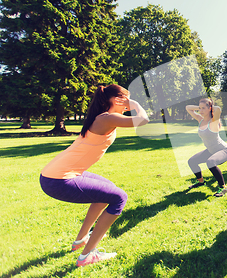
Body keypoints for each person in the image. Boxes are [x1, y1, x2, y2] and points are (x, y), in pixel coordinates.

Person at [40, 84, 149, 267]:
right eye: (126, 99)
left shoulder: (106, 118)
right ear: (117, 99)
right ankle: (87, 255)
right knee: (119, 197)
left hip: (57, 174)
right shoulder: (107, 118)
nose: (128, 104)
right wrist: (136, 104)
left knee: (108, 191)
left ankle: (81, 240)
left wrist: (129, 104)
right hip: (58, 179)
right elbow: (143, 120)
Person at [185, 98, 227, 197]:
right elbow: (188, 108)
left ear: (210, 108)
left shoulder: (214, 121)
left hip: (224, 150)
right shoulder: (200, 119)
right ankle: (201, 182)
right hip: (211, 151)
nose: (200, 111)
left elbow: (218, 109)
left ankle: (222, 187)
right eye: (199, 108)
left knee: (210, 162)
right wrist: (202, 106)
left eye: (203, 108)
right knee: (192, 161)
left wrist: (209, 106)